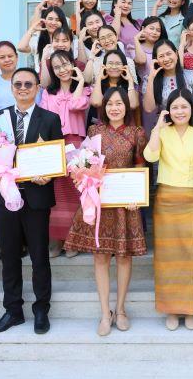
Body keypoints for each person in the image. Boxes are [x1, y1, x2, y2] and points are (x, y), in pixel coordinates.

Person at [0, 68, 64, 336]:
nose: (22, 88)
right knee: (9, 256)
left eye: (28, 84)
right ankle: (13, 310)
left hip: (37, 197)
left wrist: (49, 175)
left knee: (40, 256)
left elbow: (58, 159)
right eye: (17, 84)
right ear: (11, 88)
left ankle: (41, 309)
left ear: (37, 87)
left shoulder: (50, 119)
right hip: (6, 196)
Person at [64, 88, 148, 336]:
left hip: (125, 204)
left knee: (124, 257)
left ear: (127, 107)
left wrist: (137, 196)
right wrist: (84, 178)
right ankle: (104, 312)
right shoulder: (94, 132)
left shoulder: (137, 133)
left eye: (119, 103)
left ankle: (120, 310)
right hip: (99, 202)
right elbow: (84, 165)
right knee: (100, 258)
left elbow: (140, 167)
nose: (114, 108)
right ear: (104, 107)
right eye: (110, 103)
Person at [144, 88, 193, 331]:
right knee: (168, 259)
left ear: (191, 109)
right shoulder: (163, 133)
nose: (180, 111)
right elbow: (150, 156)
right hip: (167, 200)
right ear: (168, 111)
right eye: (175, 107)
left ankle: (192, 308)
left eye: (184, 106)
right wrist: (157, 128)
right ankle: (171, 309)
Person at [39, 51, 91, 258]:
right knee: (56, 194)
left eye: (65, 64)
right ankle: (56, 240)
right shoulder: (47, 93)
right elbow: (43, 117)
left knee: (75, 192)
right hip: (54, 144)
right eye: (57, 67)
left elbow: (76, 105)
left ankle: (73, 241)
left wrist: (80, 81)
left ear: (73, 64)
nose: (62, 70)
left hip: (76, 143)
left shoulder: (84, 89)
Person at [142, 39, 193, 116]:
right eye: (161, 56)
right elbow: (149, 109)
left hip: (189, 122)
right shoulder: (149, 80)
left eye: (169, 54)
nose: (166, 59)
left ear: (176, 54)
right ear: (156, 60)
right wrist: (151, 78)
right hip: (164, 123)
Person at [19, 6, 77, 71]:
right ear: (44, 20)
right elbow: (21, 48)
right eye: (50, 19)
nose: (53, 23)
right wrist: (32, 29)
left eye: (57, 20)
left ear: (62, 22)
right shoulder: (38, 39)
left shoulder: (71, 40)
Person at [131, 16, 167, 84]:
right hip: (144, 87)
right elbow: (141, 60)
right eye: (151, 28)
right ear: (143, 29)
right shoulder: (133, 48)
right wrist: (136, 39)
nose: (154, 32)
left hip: (163, 84)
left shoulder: (163, 47)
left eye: (158, 30)